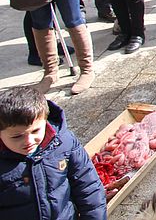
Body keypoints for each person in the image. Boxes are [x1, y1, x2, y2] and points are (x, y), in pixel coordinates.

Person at [0, 87, 106, 220]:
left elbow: (88, 186)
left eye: (35, 131)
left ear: (45, 121)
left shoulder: (64, 142)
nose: (29, 141)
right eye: (17, 136)